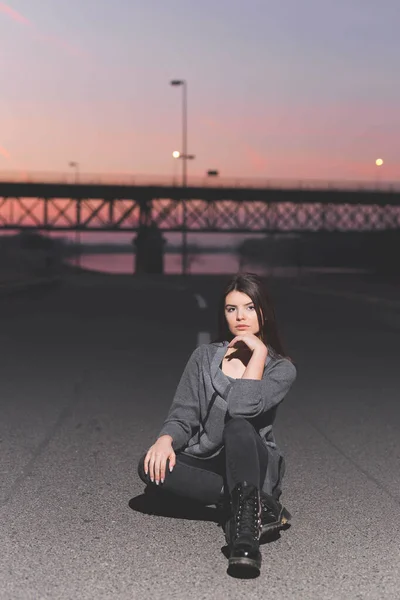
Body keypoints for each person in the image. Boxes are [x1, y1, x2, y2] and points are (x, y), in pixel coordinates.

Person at [137, 272, 297, 576]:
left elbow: (241, 409)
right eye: (231, 308)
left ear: (264, 311)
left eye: (250, 307)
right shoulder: (204, 357)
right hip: (210, 461)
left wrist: (259, 352)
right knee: (148, 466)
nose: (240, 317)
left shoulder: (280, 369)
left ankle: (245, 539)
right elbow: (184, 414)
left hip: (253, 460)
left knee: (237, 428)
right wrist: (165, 440)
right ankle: (251, 504)